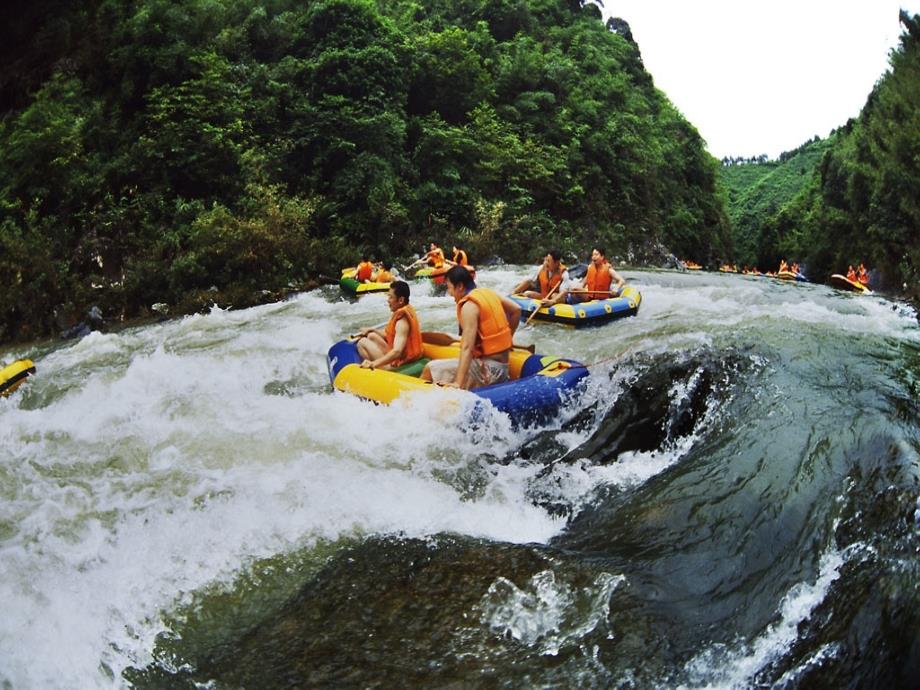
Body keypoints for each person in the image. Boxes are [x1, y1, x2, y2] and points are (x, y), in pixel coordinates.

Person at [421, 266, 521, 390]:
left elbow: (467, 348)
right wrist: (508, 340)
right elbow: (516, 310)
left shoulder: (469, 306)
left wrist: (458, 383)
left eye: (449, 287)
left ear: (460, 286)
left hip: (488, 372)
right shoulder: (488, 292)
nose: (449, 293)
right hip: (503, 367)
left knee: (430, 368)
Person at [354, 281, 423, 371]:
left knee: (362, 342)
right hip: (404, 356)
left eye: (391, 297)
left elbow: (397, 351)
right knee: (372, 336)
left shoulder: (402, 322)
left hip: (401, 361)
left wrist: (373, 363)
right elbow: (390, 335)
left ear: (401, 300)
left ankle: (378, 369)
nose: (388, 300)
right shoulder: (406, 309)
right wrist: (373, 330)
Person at [553, 247, 625, 305]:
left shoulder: (608, 270)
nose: (594, 257)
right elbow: (586, 280)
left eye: (596, 255)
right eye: (593, 255)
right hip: (589, 296)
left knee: (575, 290)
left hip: (601, 298)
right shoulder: (590, 267)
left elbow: (621, 280)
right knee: (574, 289)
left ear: (602, 257)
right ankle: (565, 301)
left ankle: (563, 301)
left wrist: (616, 288)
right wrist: (580, 287)